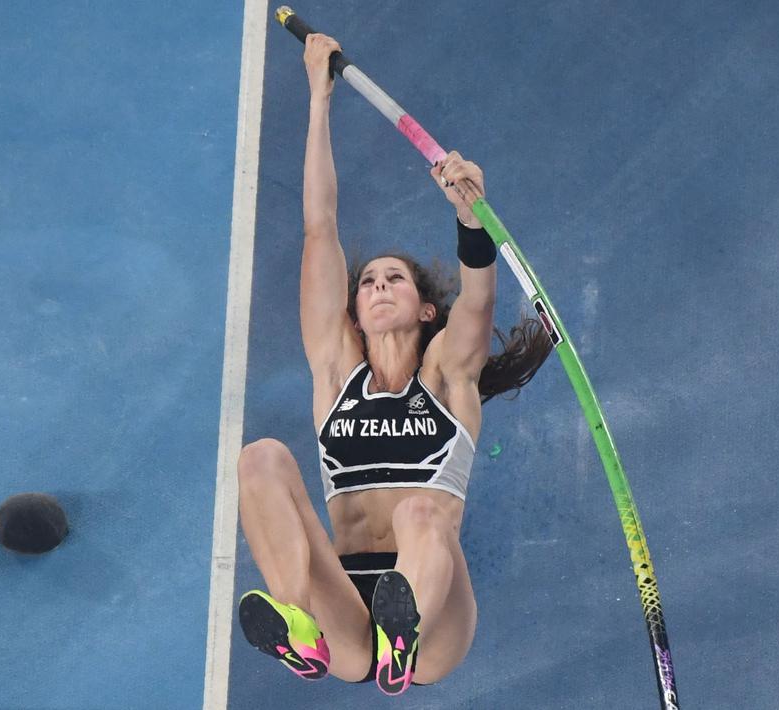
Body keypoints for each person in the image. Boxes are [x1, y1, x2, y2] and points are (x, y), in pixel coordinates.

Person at [236, 33, 553, 696]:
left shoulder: (447, 377)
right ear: (352, 312)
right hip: (347, 618)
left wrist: (468, 216)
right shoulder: (335, 374)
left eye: (395, 280)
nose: (377, 286)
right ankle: (297, 620)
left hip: (433, 630)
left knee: (419, 513)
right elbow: (319, 225)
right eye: (368, 282)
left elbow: (478, 293)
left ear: (426, 311)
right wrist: (318, 101)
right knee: (260, 458)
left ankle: (403, 629)